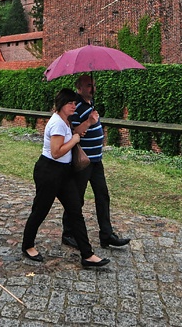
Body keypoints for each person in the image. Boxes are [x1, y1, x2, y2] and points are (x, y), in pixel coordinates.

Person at [22, 88, 109, 268]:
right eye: (70, 103)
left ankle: (87, 254)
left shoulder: (65, 121)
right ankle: (27, 245)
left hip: (64, 173)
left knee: (75, 210)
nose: (74, 106)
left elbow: (72, 138)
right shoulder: (58, 124)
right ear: (61, 104)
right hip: (49, 172)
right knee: (40, 210)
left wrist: (86, 124)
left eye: (75, 103)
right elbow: (55, 152)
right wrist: (75, 139)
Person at [61, 74, 130, 250]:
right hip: (83, 161)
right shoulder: (75, 106)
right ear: (79, 88)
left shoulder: (90, 103)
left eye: (93, 85)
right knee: (77, 198)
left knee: (102, 195)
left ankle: (106, 235)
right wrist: (89, 121)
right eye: (89, 85)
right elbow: (74, 130)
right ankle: (68, 233)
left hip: (96, 160)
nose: (93, 88)